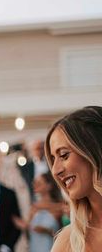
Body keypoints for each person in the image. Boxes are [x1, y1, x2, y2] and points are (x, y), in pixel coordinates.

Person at [45, 106, 102, 252]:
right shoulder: (67, 242)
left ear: (94, 151)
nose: (55, 170)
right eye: (53, 159)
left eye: (64, 155)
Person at [12, 172, 62, 252]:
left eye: (39, 183)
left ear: (49, 186)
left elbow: (64, 232)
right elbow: (28, 229)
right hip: (34, 247)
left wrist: (47, 231)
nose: (35, 185)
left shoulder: (59, 207)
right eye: (34, 182)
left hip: (52, 248)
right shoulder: (34, 207)